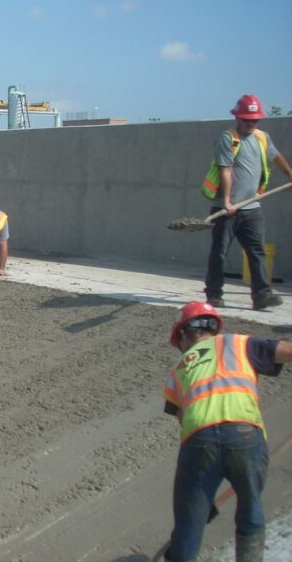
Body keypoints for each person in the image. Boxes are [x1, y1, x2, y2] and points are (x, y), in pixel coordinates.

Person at [161, 301, 292, 562]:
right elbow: (288, 351)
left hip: (199, 441)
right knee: (250, 512)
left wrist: (198, 501)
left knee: (189, 524)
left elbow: (184, 420)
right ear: (213, 328)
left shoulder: (178, 370)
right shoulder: (240, 343)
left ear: (184, 334)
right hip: (245, 435)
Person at [202, 94, 292, 310]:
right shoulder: (228, 139)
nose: (250, 124)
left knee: (257, 251)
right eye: (246, 120)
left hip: (252, 207)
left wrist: (290, 173)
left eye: (254, 120)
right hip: (227, 209)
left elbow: (275, 156)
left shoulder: (262, 137)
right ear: (237, 118)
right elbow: (226, 169)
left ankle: (262, 296)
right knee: (219, 253)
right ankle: (214, 294)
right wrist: (226, 202)